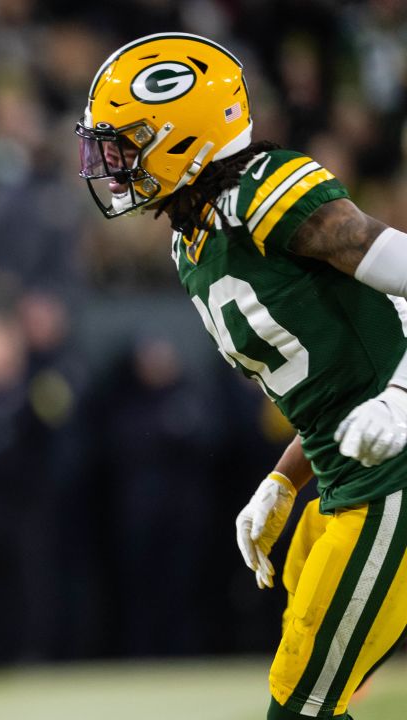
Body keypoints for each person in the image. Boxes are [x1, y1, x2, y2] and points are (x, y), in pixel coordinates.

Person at [79, 32, 407, 719]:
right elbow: (330, 396)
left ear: (181, 139)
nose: (111, 163)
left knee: (300, 706)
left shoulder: (265, 195)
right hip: (352, 478)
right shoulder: (191, 241)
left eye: (125, 143)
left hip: (393, 477)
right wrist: (283, 478)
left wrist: (402, 399)